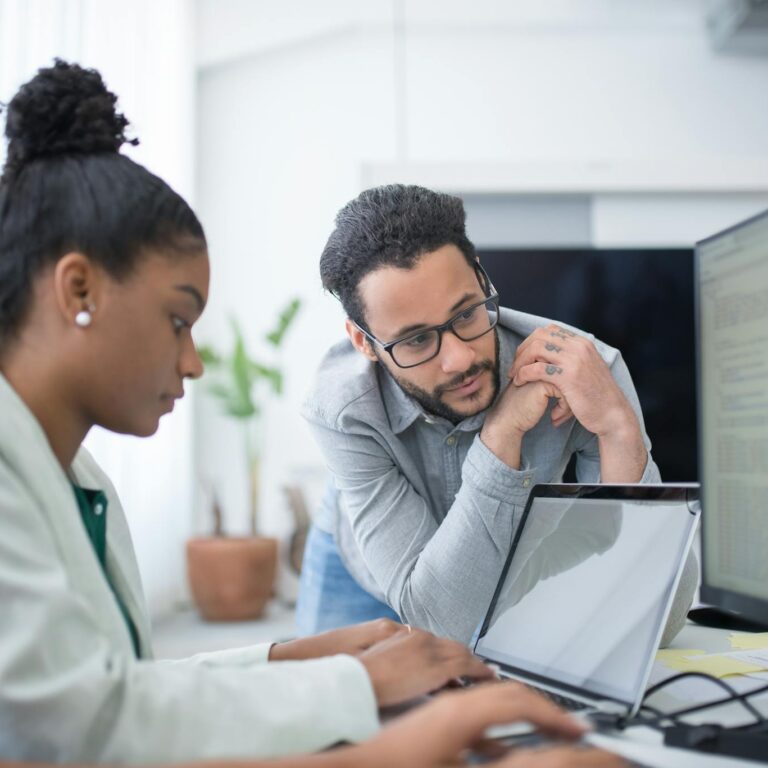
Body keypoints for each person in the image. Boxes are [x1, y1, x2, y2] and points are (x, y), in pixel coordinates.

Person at [0, 60, 628, 768]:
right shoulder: (340, 406)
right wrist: (386, 736)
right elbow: (65, 739)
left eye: (465, 317)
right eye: (179, 320)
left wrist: (305, 661)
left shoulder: (72, 474)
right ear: (77, 288)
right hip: (381, 571)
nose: (194, 363)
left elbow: (111, 696)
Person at [298, 184, 697, 643]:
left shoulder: (585, 371)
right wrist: (502, 432)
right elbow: (440, 623)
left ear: (482, 279)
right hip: (366, 576)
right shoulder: (342, 411)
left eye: (466, 313)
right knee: (339, 707)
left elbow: (659, 623)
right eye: (416, 340)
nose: (460, 360)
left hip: (515, 567)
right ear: (364, 341)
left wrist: (617, 427)